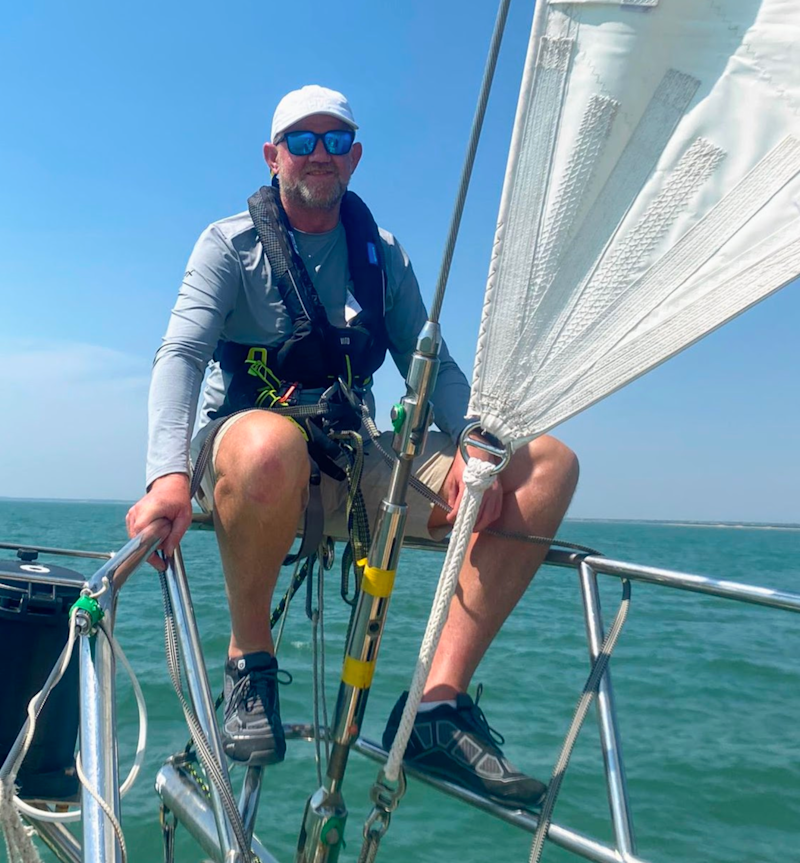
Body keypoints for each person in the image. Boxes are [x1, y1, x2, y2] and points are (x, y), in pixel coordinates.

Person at [127, 85, 579, 810]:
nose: (319, 155)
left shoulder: (382, 254)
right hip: (248, 457)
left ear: (355, 157)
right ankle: (249, 662)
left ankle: (436, 705)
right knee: (270, 444)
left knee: (545, 467)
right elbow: (179, 355)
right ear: (273, 156)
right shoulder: (228, 246)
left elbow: (434, 364)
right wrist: (167, 478)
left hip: (350, 457)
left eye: (335, 142)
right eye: (301, 141)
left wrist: (474, 444)